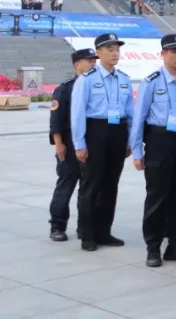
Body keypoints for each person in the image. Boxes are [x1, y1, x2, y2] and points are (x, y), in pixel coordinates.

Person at [130, 34, 176, 267]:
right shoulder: (151, 82)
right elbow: (139, 118)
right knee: (157, 197)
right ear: (163, 54)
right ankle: (153, 247)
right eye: (174, 51)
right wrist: (137, 152)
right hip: (160, 142)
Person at [71, 33, 134, 251]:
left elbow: (130, 112)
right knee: (92, 185)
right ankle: (87, 234)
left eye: (117, 49)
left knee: (110, 185)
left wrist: (130, 140)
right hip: (96, 132)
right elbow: (77, 113)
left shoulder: (124, 79)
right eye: (110, 50)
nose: (115, 54)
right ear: (98, 52)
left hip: (118, 133)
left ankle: (104, 231)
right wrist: (80, 144)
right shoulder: (87, 79)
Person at [49, 47, 98, 241]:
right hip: (69, 143)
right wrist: (59, 144)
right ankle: (57, 226)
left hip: (90, 141)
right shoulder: (65, 88)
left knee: (88, 189)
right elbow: (56, 120)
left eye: (94, 61)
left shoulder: (96, 86)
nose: (93, 64)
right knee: (66, 186)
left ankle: (84, 227)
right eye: (89, 61)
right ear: (77, 64)